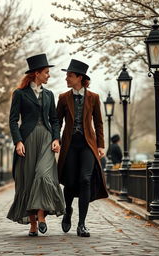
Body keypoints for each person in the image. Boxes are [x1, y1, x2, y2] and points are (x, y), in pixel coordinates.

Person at [7, 53, 65, 236]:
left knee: (43, 174)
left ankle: (42, 217)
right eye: (46, 72)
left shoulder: (49, 95)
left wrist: (56, 139)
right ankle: (33, 225)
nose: (49, 75)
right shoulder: (20, 94)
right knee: (29, 181)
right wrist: (18, 141)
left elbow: (55, 120)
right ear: (37, 74)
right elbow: (13, 120)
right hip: (28, 140)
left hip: (46, 140)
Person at [57, 59, 108, 237]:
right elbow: (57, 122)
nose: (67, 78)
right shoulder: (63, 98)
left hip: (88, 144)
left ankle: (82, 224)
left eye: (70, 75)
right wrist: (56, 139)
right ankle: (68, 209)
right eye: (67, 76)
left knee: (85, 179)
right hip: (70, 145)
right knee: (70, 182)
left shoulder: (94, 97)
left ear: (80, 77)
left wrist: (100, 144)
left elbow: (99, 122)